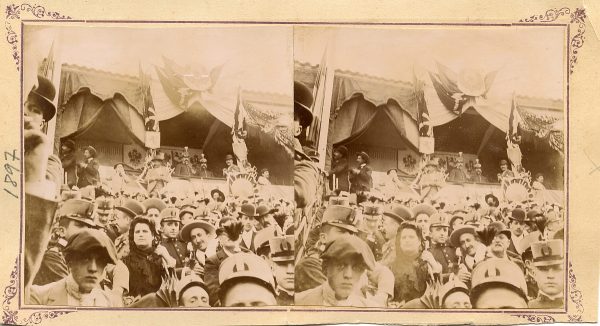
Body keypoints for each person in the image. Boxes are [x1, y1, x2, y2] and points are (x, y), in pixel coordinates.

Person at [29, 229, 119, 307]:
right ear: (69, 261)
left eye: (100, 261)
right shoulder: (39, 297)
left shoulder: (109, 302)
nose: (93, 268)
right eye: (85, 259)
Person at [295, 197, 358, 292]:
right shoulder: (309, 266)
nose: (347, 239)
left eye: (350, 234)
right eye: (341, 232)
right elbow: (337, 298)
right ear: (323, 238)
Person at [296, 235, 377, 307]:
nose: (348, 275)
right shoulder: (299, 303)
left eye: (356, 268)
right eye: (340, 266)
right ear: (325, 268)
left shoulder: (370, 310)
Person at [33, 199, 96, 286]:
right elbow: (75, 290)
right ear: (62, 231)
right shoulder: (53, 256)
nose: (86, 231)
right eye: (80, 226)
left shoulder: (75, 252)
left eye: (89, 227)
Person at [121, 217, 175, 297]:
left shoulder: (161, 257)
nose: (141, 235)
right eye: (137, 232)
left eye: (145, 231)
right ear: (133, 237)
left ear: (153, 235)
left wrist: (166, 257)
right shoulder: (126, 261)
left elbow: (172, 286)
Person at [390, 222, 432, 305]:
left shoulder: (428, 262)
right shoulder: (392, 264)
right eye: (403, 237)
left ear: (419, 241)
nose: (407, 240)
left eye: (411, 237)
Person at [528, 239, 564, 308]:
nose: (550, 275)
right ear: (534, 274)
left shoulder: (574, 307)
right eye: (543, 269)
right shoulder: (527, 307)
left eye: (557, 269)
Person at [427, 213, 458, 281]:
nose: (442, 233)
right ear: (430, 234)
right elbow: (430, 277)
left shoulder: (453, 248)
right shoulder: (428, 253)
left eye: (445, 230)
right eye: (438, 229)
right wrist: (453, 276)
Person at [159, 208, 188, 273]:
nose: (173, 228)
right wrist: (184, 271)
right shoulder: (159, 247)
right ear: (161, 228)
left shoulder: (183, 244)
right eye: (169, 224)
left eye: (176, 225)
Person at [268, 235, 295, 306]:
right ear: (273, 268)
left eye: (294, 264)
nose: (290, 271)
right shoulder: (268, 302)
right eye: (283, 264)